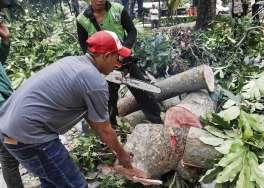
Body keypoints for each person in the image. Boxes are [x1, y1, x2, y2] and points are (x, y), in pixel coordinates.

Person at [0, 31, 136, 187]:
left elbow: (94, 121)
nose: (117, 64)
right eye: (116, 58)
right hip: (30, 137)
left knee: (52, 181)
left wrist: (114, 148)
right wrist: (123, 155)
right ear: (106, 56)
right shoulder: (95, 82)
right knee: (75, 184)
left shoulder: (72, 61)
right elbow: (104, 129)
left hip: (8, 131)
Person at [77, 0, 162, 126]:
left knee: (143, 92)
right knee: (108, 100)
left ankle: (157, 120)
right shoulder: (82, 19)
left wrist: (123, 52)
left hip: (123, 58)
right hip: (103, 65)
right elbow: (85, 46)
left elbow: (132, 31)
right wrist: (96, 65)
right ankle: (113, 128)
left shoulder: (118, 9)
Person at [0, 18, 24, 188]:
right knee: (9, 156)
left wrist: (5, 40)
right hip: (3, 107)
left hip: (6, 101)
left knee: (9, 153)